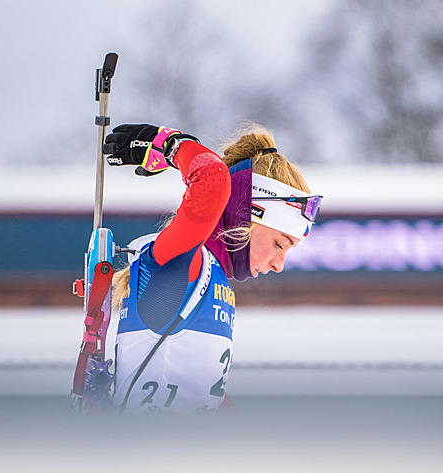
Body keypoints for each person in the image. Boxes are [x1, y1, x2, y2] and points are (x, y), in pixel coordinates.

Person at [102, 122, 322, 415]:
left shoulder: (212, 277)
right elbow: (212, 178)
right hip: (149, 454)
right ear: (249, 216)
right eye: (280, 244)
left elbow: (200, 395)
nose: (279, 265)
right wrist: (168, 145)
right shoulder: (182, 264)